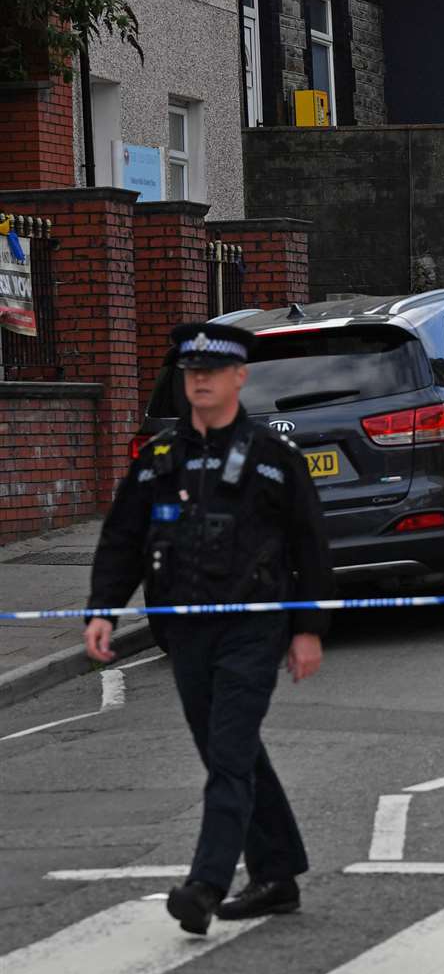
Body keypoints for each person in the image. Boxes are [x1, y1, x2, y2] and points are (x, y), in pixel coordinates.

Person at [84, 323, 332, 934]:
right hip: (184, 633)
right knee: (232, 751)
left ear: (239, 378)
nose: (199, 381)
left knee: (227, 754)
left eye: (212, 371)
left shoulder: (274, 460)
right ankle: (278, 874)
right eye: (191, 372)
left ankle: (206, 883)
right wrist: (102, 609)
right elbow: (122, 538)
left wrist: (307, 629)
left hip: (253, 628)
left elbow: (312, 546)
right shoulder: (158, 460)